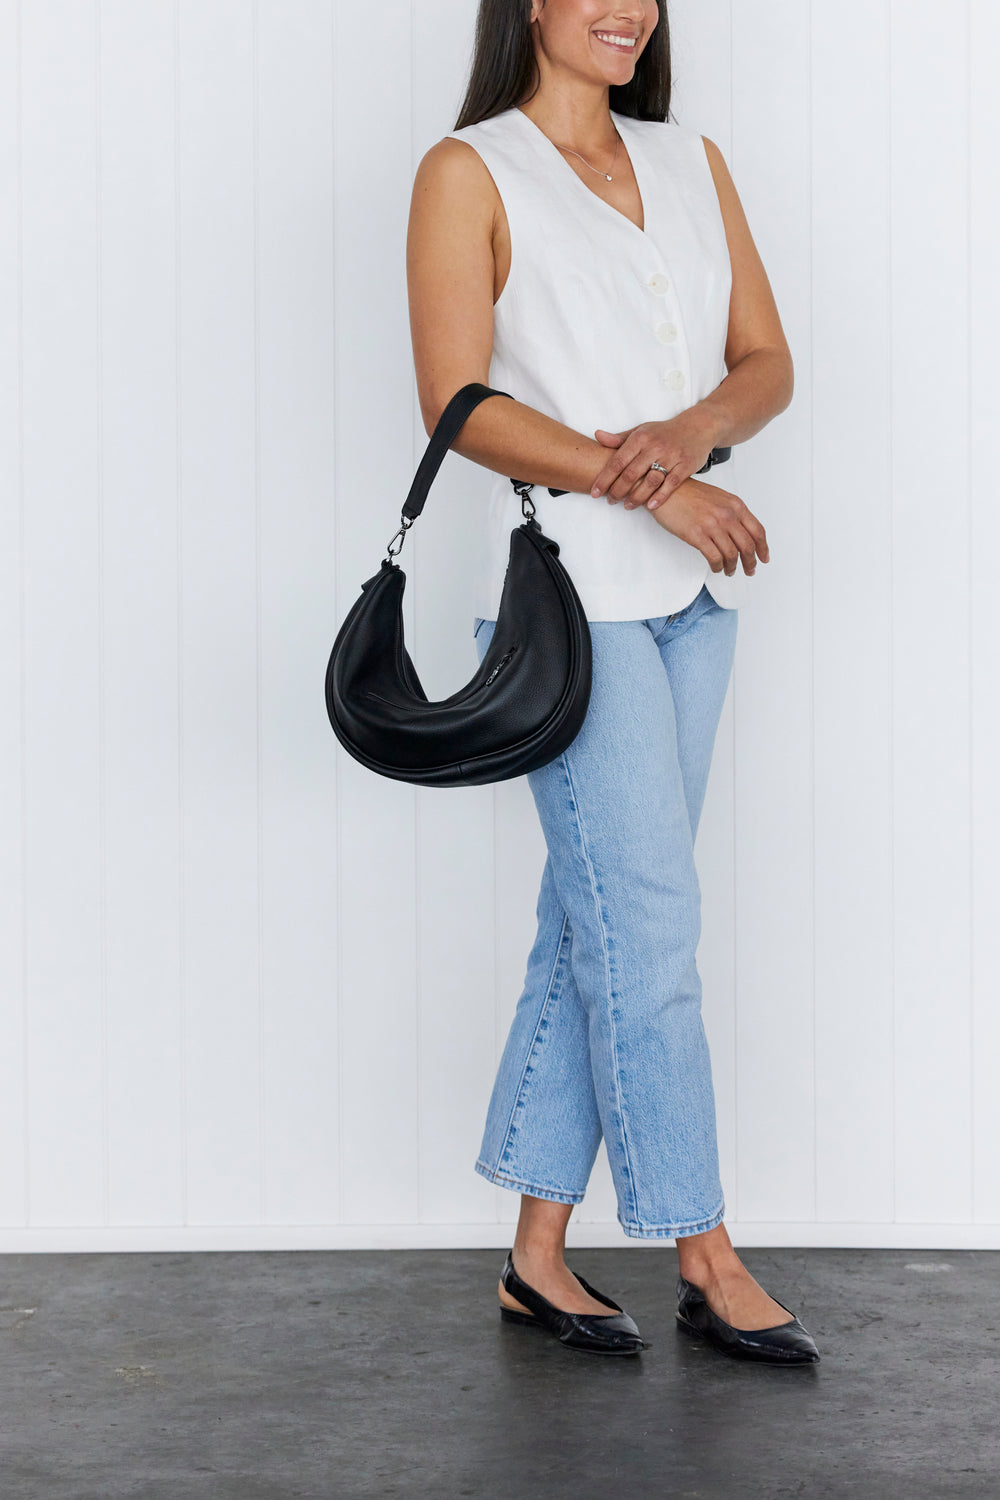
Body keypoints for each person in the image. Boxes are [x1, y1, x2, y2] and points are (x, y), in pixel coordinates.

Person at [406, 0, 820, 1364]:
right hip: (569, 607)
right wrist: (654, 488)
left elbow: (766, 362)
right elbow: (458, 402)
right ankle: (704, 1250)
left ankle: (537, 1257)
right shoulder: (469, 170)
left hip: (696, 603)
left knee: (595, 922)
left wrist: (691, 436)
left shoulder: (691, 160)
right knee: (647, 929)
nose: (628, 8)